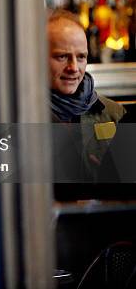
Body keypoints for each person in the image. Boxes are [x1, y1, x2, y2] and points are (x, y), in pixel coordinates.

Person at [48, 10, 126, 185]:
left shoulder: (114, 113)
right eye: (62, 56)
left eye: (81, 57)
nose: (74, 67)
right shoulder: (17, 116)